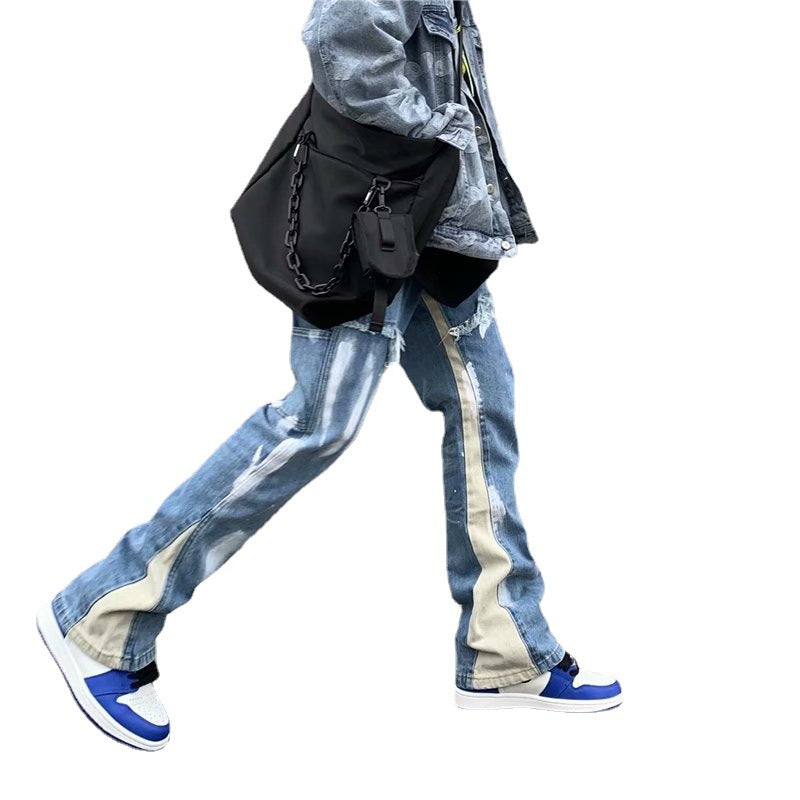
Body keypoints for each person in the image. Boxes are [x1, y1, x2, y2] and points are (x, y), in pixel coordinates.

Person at [37, 0, 621, 751]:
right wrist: (436, 130)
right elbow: (344, 42)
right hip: (375, 223)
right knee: (317, 424)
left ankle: (504, 648)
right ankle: (102, 617)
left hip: (435, 227)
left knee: (484, 404)